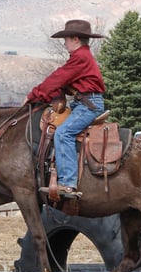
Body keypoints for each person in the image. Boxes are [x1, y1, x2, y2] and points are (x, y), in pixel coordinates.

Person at [24, 19, 105, 198]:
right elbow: (62, 82)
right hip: (82, 103)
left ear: (76, 39)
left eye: (67, 39)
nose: (64, 43)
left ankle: (68, 183)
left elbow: (58, 78)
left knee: (63, 134)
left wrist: (33, 95)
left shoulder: (80, 57)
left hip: (87, 106)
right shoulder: (81, 57)